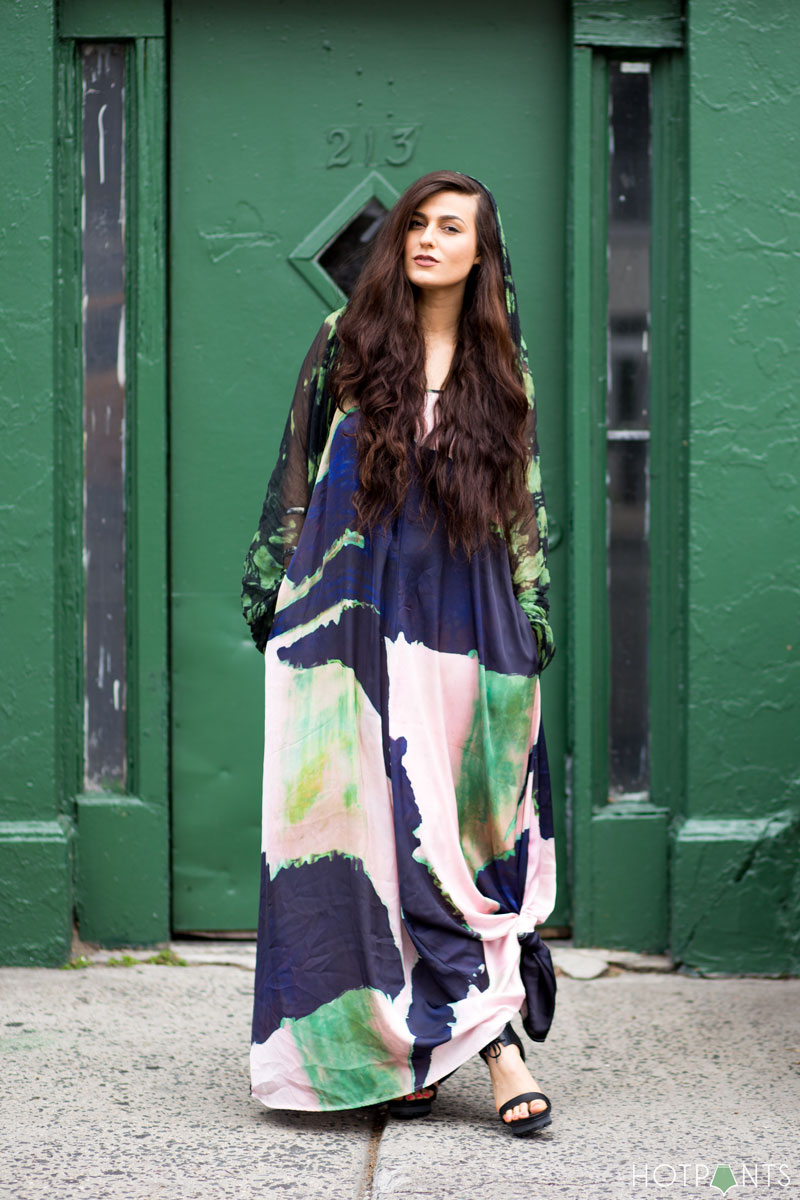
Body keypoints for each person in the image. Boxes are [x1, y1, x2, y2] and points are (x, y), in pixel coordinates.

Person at [241, 170, 558, 1138]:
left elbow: (520, 501)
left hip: (463, 620)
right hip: (346, 620)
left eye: (448, 227)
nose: (425, 238)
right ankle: (403, 1052)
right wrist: (270, 594)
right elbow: (294, 468)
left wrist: (532, 614)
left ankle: (492, 1037)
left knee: (459, 834)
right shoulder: (348, 341)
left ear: (479, 251)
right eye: (415, 223)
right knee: (357, 832)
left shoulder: (501, 367)